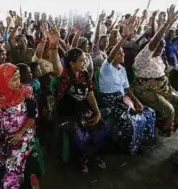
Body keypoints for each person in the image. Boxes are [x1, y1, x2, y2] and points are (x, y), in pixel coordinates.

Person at [99, 15, 155, 154]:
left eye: (122, 52)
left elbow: (126, 89)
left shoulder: (123, 69)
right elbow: (110, 56)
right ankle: (128, 147)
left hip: (123, 99)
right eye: (119, 53)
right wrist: (124, 37)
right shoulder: (106, 68)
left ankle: (141, 141)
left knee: (148, 112)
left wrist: (137, 102)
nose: (122, 54)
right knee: (130, 122)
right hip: (110, 101)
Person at [0, 63, 37, 189]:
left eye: (18, 78)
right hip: (6, 134)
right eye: (13, 79)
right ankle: (26, 177)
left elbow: (32, 116)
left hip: (25, 132)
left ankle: (12, 185)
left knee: (13, 161)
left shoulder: (26, 92)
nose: (17, 82)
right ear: (3, 80)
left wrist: (20, 133)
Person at [57, 48, 109, 173]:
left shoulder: (84, 74)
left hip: (84, 111)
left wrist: (97, 112)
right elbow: (55, 64)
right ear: (72, 63)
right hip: (68, 115)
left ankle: (95, 154)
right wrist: (54, 47)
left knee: (103, 128)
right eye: (81, 60)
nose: (85, 62)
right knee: (80, 136)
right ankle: (82, 158)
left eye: (85, 60)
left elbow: (90, 95)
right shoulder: (64, 76)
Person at [133, 5, 178, 136]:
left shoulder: (158, 58)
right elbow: (154, 41)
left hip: (162, 87)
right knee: (169, 109)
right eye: (161, 46)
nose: (163, 49)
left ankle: (172, 124)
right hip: (147, 90)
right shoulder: (143, 57)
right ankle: (163, 129)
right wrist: (166, 24)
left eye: (164, 46)